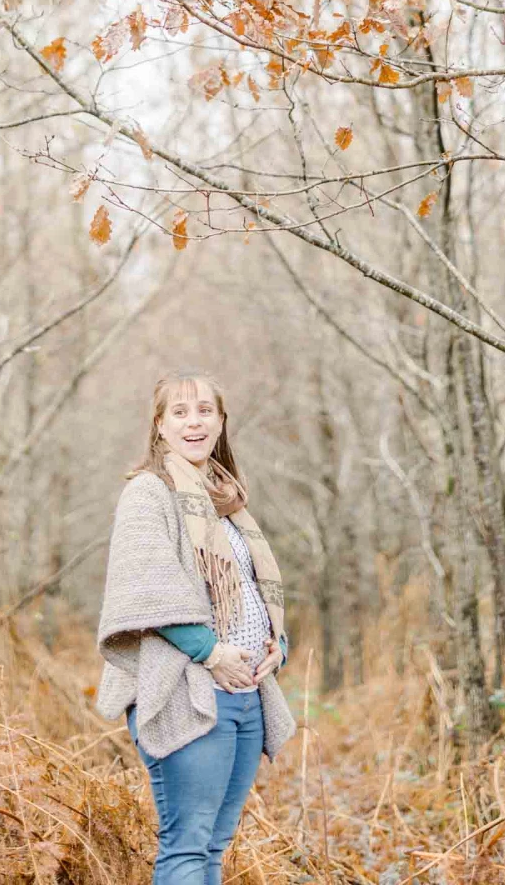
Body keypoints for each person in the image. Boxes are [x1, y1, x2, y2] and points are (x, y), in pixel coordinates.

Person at [96, 371, 295, 885]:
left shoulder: (228, 500)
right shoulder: (149, 494)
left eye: (205, 410)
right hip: (190, 689)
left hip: (248, 690)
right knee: (187, 846)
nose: (194, 422)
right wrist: (210, 652)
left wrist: (278, 646)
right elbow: (145, 592)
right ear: (159, 426)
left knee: (213, 846)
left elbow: (254, 588)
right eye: (180, 412)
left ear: (222, 422)